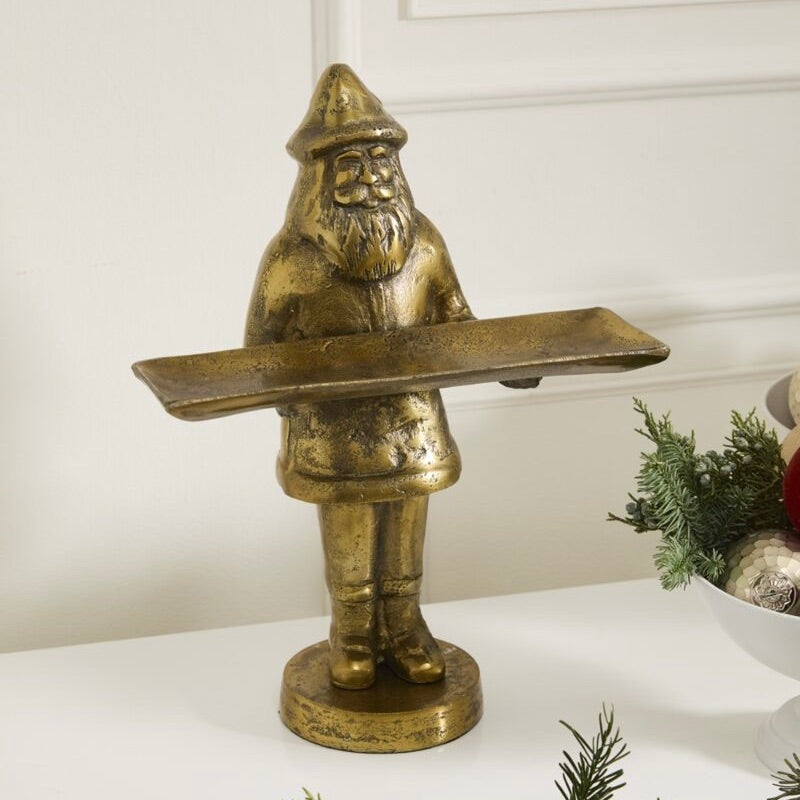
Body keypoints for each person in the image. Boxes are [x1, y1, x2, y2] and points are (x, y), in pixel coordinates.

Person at [245, 64, 537, 690]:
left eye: (380, 161)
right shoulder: (290, 261)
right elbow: (260, 349)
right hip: (334, 434)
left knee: (405, 535)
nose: (370, 178)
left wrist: (507, 361)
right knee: (350, 537)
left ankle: (405, 627)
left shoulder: (424, 244)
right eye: (349, 164)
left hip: (412, 423)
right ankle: (352, 633)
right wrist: (290, 398)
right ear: (318, 178)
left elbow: (455, 321)